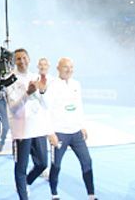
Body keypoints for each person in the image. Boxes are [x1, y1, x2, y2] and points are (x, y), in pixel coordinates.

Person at [5, 48, 56, 200]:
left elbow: (46, 105)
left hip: (38, 128)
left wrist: (42, 91)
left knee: (42, 164)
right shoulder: (10, 79)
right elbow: (13, 107)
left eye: (24, 58)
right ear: (14, 61)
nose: (22, 61)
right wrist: (27, 93)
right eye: (18, 59)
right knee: (21, 166)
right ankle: (23, 195)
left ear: (29, 59)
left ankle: (25, 183)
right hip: (22, 130)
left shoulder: (36, 77)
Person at [46, 58, 96, 200]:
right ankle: (54, 194)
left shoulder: (76, 84)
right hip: (59, 133)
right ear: (58, 68)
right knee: (56, 165)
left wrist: (82, 125)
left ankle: (91, 195)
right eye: (65, 67)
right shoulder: (52, 85)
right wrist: (50, 132)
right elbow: (46, 110)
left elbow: (79, 106)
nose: (69, 70)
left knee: (87, 161)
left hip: (76, 133)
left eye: (71, 67)